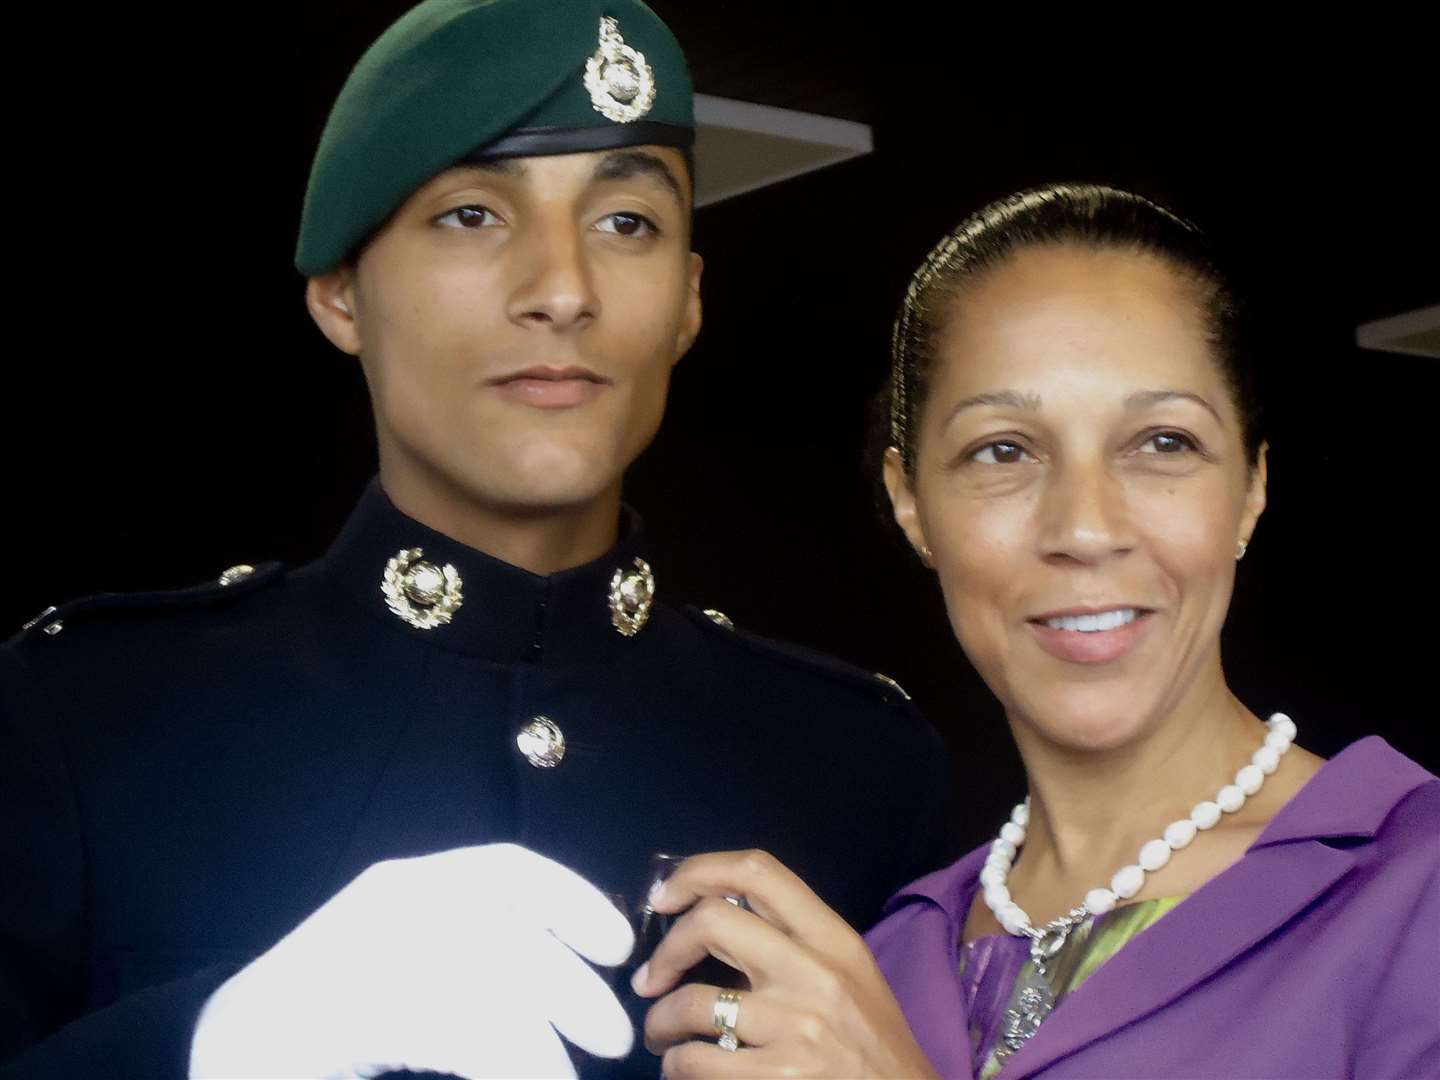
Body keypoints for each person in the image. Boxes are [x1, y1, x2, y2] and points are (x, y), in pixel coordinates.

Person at [0, 2, 950, 1076]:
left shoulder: (860, 769)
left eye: (626, 222)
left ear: (688, 300)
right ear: (340, 292)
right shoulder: (87, 722)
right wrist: (219, 1043)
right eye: (470, 215)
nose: (561, 290)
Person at [629, 184, 1439, 1079]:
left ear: (1249, 488)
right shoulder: (883, 962)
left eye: (1163, 442)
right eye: (1003, 451)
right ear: (910, 503)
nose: (1086, 529)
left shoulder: (1414, 888)